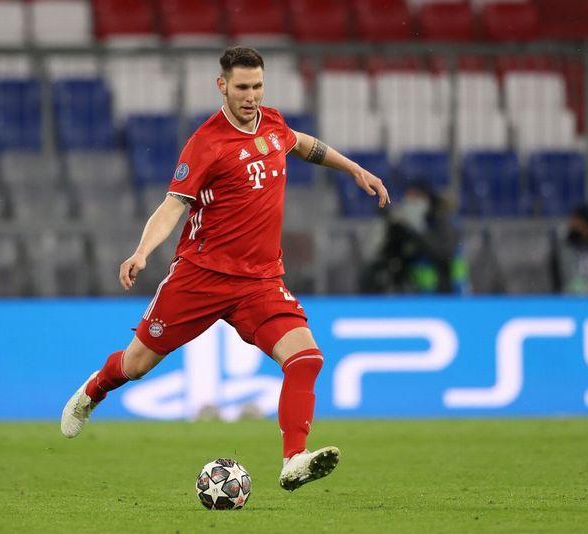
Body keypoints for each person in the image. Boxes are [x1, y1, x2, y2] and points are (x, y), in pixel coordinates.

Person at [60, 47, 389, 491]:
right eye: (242, 88)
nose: (251, 96)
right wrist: (142, 252)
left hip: (260, 281)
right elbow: (172, 205)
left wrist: (353, 168)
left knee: (306, 358)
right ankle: (93, 391)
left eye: (257, 86)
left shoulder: (272, 123)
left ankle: (294, 459)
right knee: (135, 365)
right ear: (222, 86)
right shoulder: (206, 144)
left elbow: (302, 144)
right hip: (201, 276)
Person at [361, 179, 465, 294]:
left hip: (447, 290)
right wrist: (396, 227)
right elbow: (389, 256)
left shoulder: (441, 221)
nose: (412, 203)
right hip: (415, 290)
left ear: (426, 199)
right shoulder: (402, 225)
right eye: (409, 198)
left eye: (416, 197)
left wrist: (416, 231)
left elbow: (443, 252)